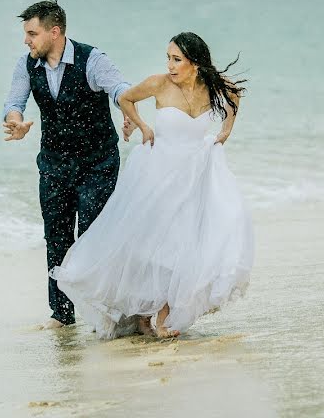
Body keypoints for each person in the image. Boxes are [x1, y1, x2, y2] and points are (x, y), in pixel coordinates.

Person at [51, 32, 253, 338]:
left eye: (177, 59)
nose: (170, 65)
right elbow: (125, 98)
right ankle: (145, 317)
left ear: (194, 63)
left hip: (195, 173)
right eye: (168, 58)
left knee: (184, 244)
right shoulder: (159, 83)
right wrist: (143, 126)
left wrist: (225, 132)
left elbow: (234, 99)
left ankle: (161, 317)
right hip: (157, 171)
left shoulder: (212, 86)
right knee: (151, 244)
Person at [1, 0, 133, 329]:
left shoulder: (91, 59)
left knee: (93, 235)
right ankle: (62, 313)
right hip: (54, 164)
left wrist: (129, 113)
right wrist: (16, 121)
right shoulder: (27, 65)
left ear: (54, 32)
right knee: (56, 236)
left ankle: (105, 310)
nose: (26, 41)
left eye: (32, 33)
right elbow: (14, 101)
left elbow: (119, 88)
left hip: (97, 163)